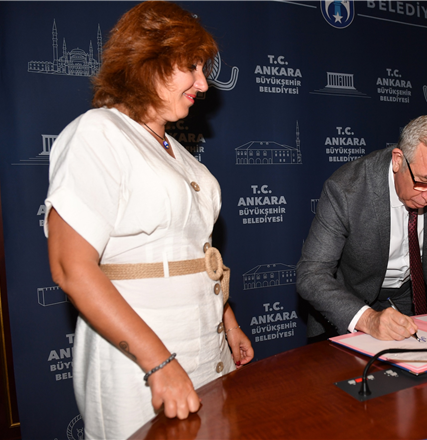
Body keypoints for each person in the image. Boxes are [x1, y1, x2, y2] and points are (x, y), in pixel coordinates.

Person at [44, 1, 253, 438]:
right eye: (192, 66)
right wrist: (159, 362)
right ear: (148, 61)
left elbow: (192, 254)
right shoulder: (98, 133)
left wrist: (228, 323)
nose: (204, 84)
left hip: (206, 353)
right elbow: (70, 267)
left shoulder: (179, 154)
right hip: (139, 370)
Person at [297, 114, 427, 342]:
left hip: (411, 296)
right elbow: (312, 274)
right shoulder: (346, 190)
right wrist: (369, 319)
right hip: (352, 302)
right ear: (398, 160)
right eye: (424, 182)